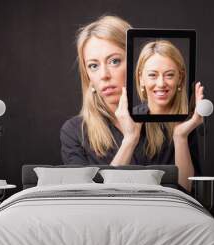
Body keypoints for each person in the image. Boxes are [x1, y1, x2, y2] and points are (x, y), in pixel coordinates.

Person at [60, 15, 204, 192]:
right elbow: (85, 199)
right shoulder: (75, 131)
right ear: (87, 76)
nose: (104, 74)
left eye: (114, 61)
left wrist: (180, 137)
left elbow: (186, 192)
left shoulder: (170, 120)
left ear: (135, 64)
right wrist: (129, 140)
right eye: (93, 65)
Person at [133, 40, 188, 115]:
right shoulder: (130, 120)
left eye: (169, 75)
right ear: (141, 78)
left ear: (180, 78)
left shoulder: (193, 120)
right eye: (152, 75)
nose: (161, 84)